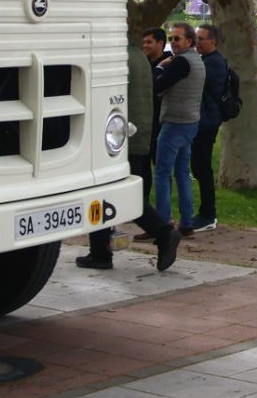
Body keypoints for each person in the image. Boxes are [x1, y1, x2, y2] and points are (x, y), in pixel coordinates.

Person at [77, 35, 182, 271]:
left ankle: (161, 233)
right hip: (135, 132)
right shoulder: (138, 57)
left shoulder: (117, 58)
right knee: (114, 192)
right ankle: (100, 251)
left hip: (119, 135)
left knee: (111, 192)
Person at [153, 22, 204, 233]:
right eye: (171, 38)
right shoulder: (197, 60)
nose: (173, 42)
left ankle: (162, 223)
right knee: (182, 172)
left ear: (189, 41)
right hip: (191, 121)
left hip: (175, 122)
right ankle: (187, 222)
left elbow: (158, 85)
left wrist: (159, 67)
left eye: (177, 38)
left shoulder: (180, 62)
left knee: (162, 173)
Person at [190, 23, 230, 230]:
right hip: (204, 120)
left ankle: (208, 215)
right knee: (199, 166)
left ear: (213, 41)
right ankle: (206, 213)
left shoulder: (212, 63)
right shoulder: (207, 60)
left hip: (207, 122)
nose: (196, 42)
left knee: (202, 167)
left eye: (200, 39)